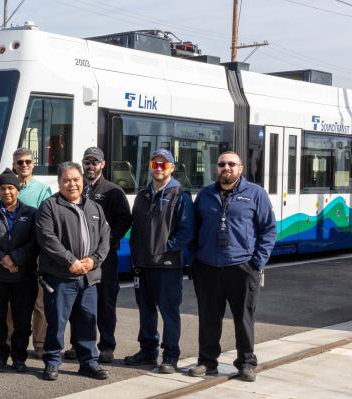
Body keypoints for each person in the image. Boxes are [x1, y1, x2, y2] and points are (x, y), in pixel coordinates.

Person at [187, 151, 276, 382]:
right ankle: (207, 362)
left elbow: (268, 229)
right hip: (207, 267)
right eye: (222, 164)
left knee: (244, 318)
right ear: (216, 168)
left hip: (242, 267)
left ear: (241, 168)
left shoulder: (256, 194)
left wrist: (257, 262)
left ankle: (246, 364)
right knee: (208, 318)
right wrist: (194, 258)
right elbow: (193, 229)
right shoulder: (205, 195)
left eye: (231, 164)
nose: (226, 167)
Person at [36, 162, 111, 381]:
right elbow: (47, 238)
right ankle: (52, 362)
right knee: (57, 322)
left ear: (83, 181)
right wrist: (70, 261)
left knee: (88, 321)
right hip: (61, 277)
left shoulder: (94, 208)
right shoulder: (49, 206)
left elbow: (105, 238)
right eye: (66, 180)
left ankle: (88, 363)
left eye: (76, 179)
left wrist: (94, 261)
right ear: (59, 183)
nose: (72, 184)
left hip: (88, 277)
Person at [124, 149, 194, 374]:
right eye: (155, 163)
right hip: (142, 265)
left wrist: (164, 249)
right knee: (146, 311)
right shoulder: (143, 194)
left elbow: (186, 232)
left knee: (169, 312)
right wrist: (136, 255)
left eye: (164, 164)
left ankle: (171, 356)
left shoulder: (179, 195)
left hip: (167, 266)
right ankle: (147, 351)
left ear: (172, 168)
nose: (159, 168)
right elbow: (135, 228)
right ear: (150, 166)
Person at [69, 147, 132, 363]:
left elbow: (124, 220)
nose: (90, 166)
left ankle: (106, 346)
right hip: (80, 258)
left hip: (105, 259)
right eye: (87, 162)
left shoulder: (113, 191)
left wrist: (106, 243)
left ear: (103, 165)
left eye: (95, 162)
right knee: (79, 303)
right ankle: (78, 345)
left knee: (105, 304)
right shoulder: (76, 189)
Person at [0, 171, 39, 372]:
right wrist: (3, 259)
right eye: (3, 188)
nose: (7, 192)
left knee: (22, 320)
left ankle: (19, 357)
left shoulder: (31, 214)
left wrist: (15, 258)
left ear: (17, 190)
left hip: (23, 276)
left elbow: (35, 242)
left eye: (11, 188)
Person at [12, 147, 52, 358]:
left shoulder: (43, 190)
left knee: (40, 304)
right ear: (14, 165)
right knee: (13, 304)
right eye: (20, 162)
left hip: (35, 255)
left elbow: (45, 224)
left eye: (28, 161)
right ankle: (11, 342)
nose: (24, 165)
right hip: (13, 256)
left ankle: (40, 344)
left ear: (33, 164)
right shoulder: (8, 187)